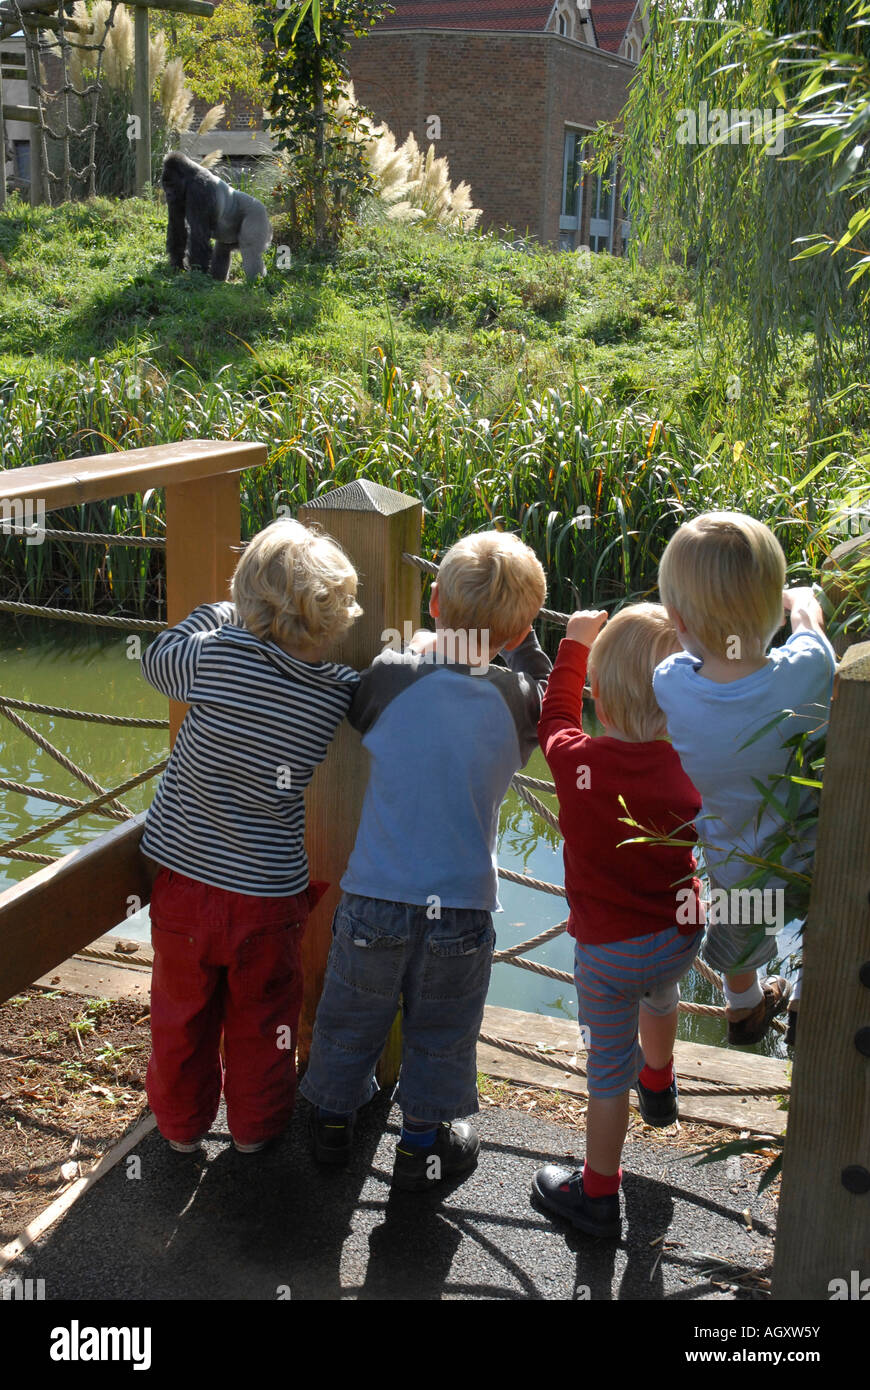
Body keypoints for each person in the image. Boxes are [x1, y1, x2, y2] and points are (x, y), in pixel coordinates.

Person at [299, 530, 551, 1190]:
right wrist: (523, 642)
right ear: (522, 626)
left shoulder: (388, 677)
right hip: (463, 906)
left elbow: (372, 699)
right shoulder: (520, 701)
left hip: (375, 896)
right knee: (442, 1033)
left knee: (350, 1017)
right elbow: (553, 695)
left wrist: (425, 647)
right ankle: (421, 1144)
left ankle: (329, 1122)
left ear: (434, 600)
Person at [140, 518, 361, 1153]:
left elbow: (157, 661)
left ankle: (180, 1130)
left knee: (180, 1017)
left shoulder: (214, 655)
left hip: (185, 888)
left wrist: (213, 613)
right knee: (266, 1025)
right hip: (268, 899)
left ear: (245, 603)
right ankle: (256, 1132)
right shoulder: (334, 695)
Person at [531, 604, 704, 1238]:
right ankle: (658, 1086)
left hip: (607, 955)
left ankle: (599, 1195)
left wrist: (574, 644)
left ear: (598, 696)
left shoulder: (577, 763)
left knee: (606, 1071)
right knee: (662, 994)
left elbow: (552, 716)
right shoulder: (693, 767)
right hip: (678, 936)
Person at [654, 511, 836, 1046]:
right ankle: (803, 998)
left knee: (737, 929)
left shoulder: (670, 684)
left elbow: (683, 660)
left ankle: (744, 1009)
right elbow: (812, 634)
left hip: (728, 852)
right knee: (811, 920)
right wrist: (801, 606)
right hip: (803, 847)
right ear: (771, 612)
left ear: (677, 620)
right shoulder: (803, 673)